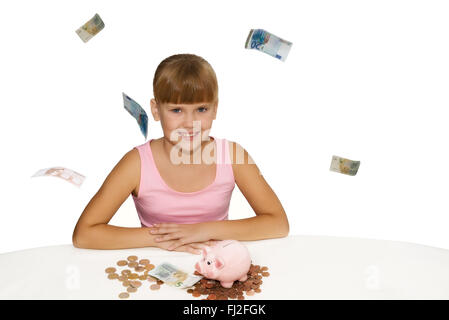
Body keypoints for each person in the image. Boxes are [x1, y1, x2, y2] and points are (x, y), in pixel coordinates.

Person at [72, 53, 289, 254]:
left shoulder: (231, 155)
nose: (189, 123)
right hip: (156, 265)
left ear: (215, 109)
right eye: (176, 110)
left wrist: (203, 230)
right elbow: (84, 234)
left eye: (201, 109)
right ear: (156, 110)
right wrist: (162, 238)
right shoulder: (137, 163)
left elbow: (278, 223)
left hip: (218, 263)